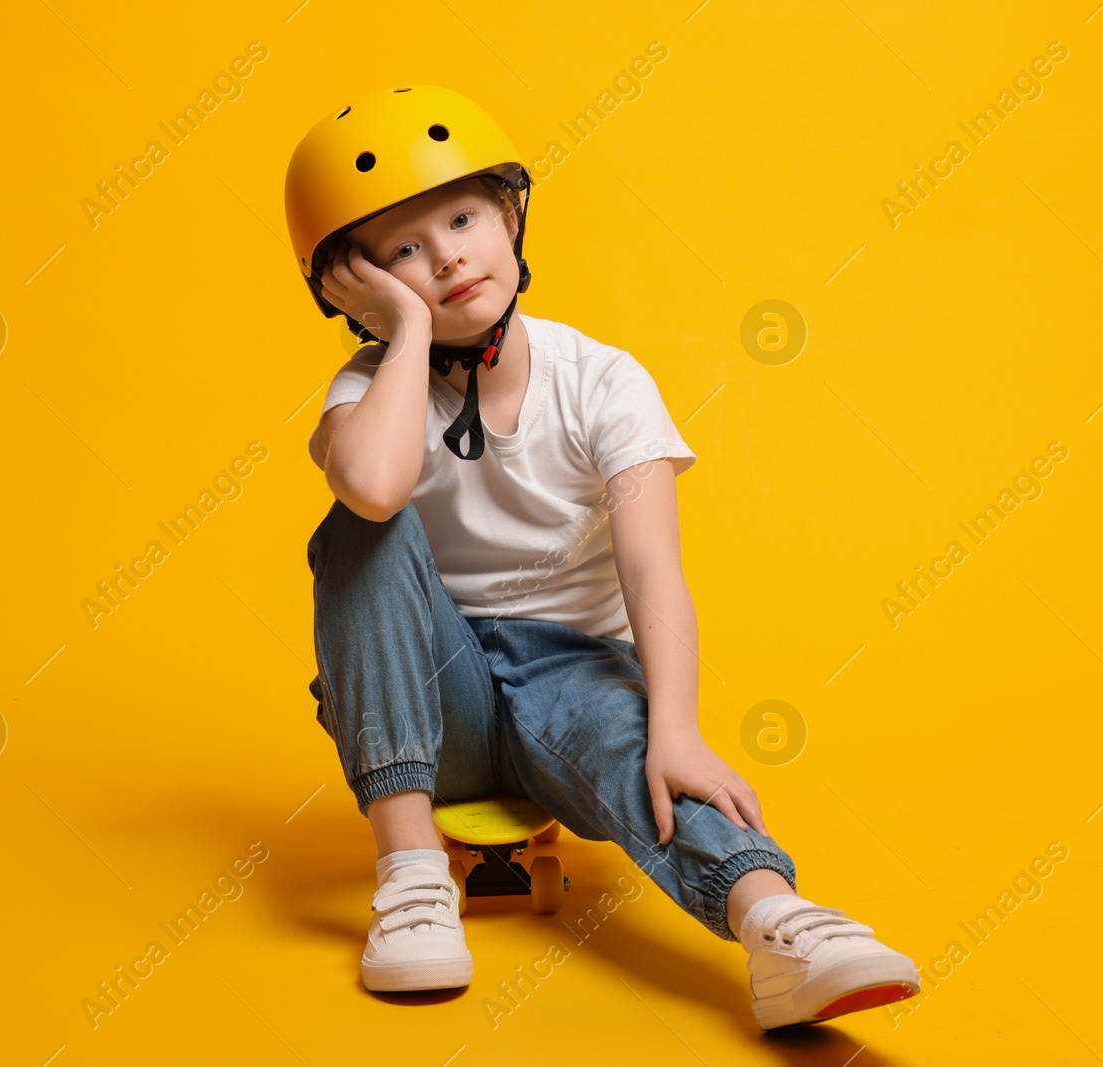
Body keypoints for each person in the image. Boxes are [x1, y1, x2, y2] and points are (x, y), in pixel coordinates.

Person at [283, 84, 921, 1030]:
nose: (449, 254)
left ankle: (775, 922)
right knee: (355, 526)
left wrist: (676, 725)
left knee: (637, 747)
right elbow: (373, 491)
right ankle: (412, 879)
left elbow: (651, 568)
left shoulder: (603, 381)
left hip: (571, 670)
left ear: (509, 216)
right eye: (403, 251)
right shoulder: (366, 392)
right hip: (432, 691)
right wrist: (408, 331)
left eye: (463, 218)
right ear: (353, 289)